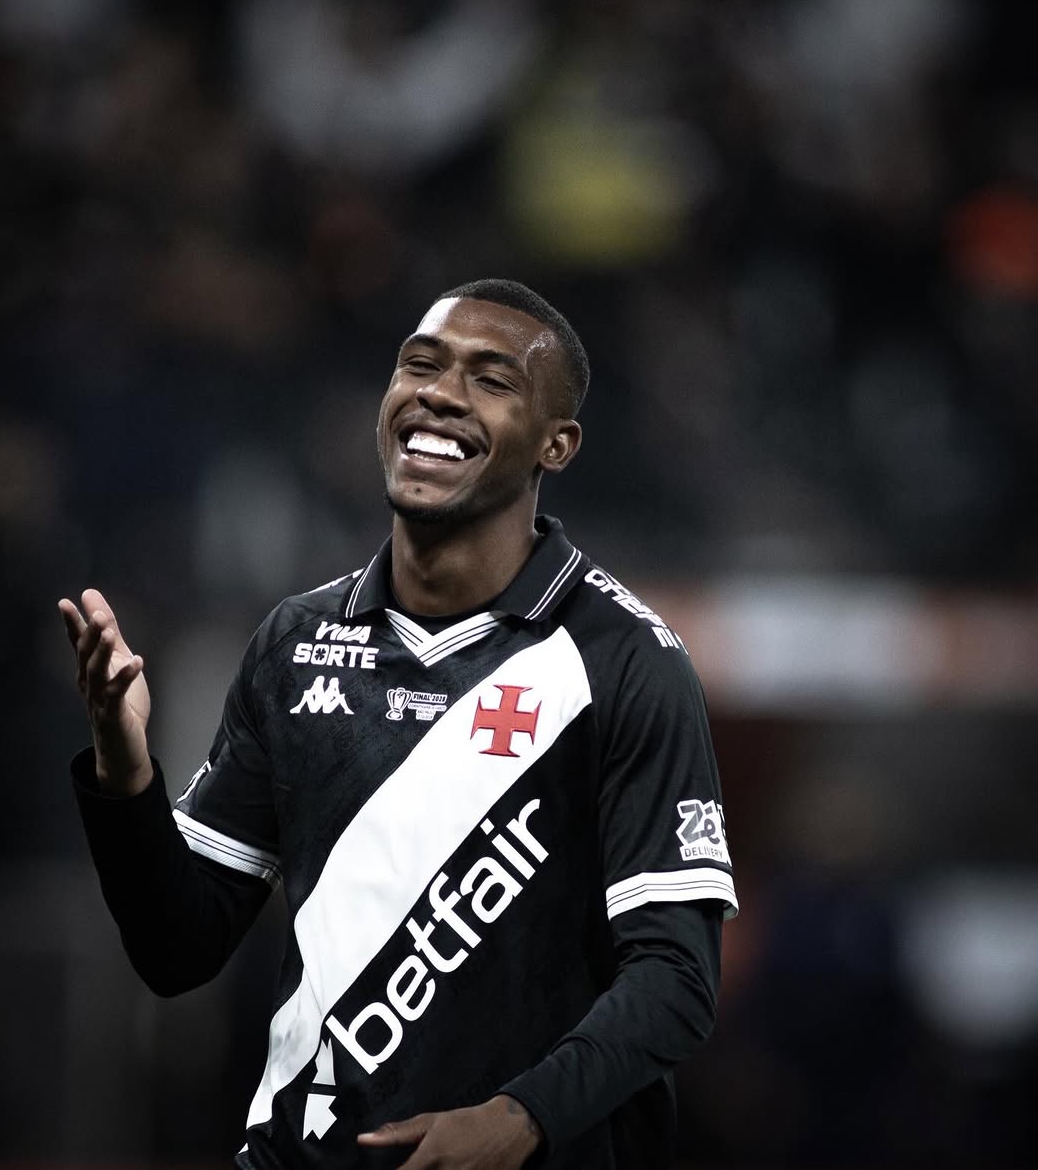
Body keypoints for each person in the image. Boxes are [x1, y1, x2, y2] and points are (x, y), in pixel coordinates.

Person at [60, 279, 737, 1170]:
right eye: (421, 365)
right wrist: (125, 775)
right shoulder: (296, 643)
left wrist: (519, 1119)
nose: (440, 393)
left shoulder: (624, 662)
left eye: (491, 379)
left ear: (556, 444)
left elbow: (677, 981)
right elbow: (176, 948)